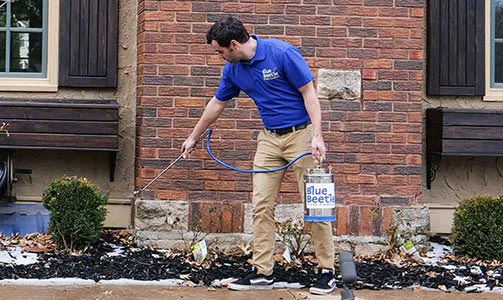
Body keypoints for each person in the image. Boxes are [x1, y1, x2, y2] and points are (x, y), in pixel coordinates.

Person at [181, 16, 336, 295]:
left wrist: (318, 135)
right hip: (269, 139)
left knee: (316, 205)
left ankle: (326, 270)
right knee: (262, 204)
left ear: (234, 44)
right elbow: (217, 103)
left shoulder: (282, 53)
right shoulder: (233, 69)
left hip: (302, 135)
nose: (219, 57)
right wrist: (193, 137)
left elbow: (309, 93)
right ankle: (262, 271)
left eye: (220, 51)